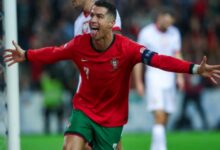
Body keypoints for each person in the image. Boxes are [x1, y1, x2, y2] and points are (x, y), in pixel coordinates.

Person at [4, 1, 220, 150]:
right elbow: (54, 52)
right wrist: (27, 55)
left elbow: (160, 60)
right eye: (92, 17)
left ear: (111, 24)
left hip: (112, 117)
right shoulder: (80, 44)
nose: (92, 21)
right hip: (85, 108)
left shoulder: (128, 48)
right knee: (70, 145)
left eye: (99, 17)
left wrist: (195, 69)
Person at [72, 0, 122, 149]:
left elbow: (116, 43)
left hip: (106, 78)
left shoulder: (107, 13)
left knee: (108, 129)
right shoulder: (78, 22)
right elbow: (76, 53)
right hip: (86, 82)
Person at [134, 7, 184, 150]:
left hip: (170, 78)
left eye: (171, 22)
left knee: (165, 117)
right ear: (160, 17)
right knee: (159, 115)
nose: (168, 24)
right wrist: (139, 82)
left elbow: (177, 55)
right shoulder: (146, 33)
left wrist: (180, 77)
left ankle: (155, 147)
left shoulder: (174, 32)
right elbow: (138, 59)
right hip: (154, 77)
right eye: (166, 20)